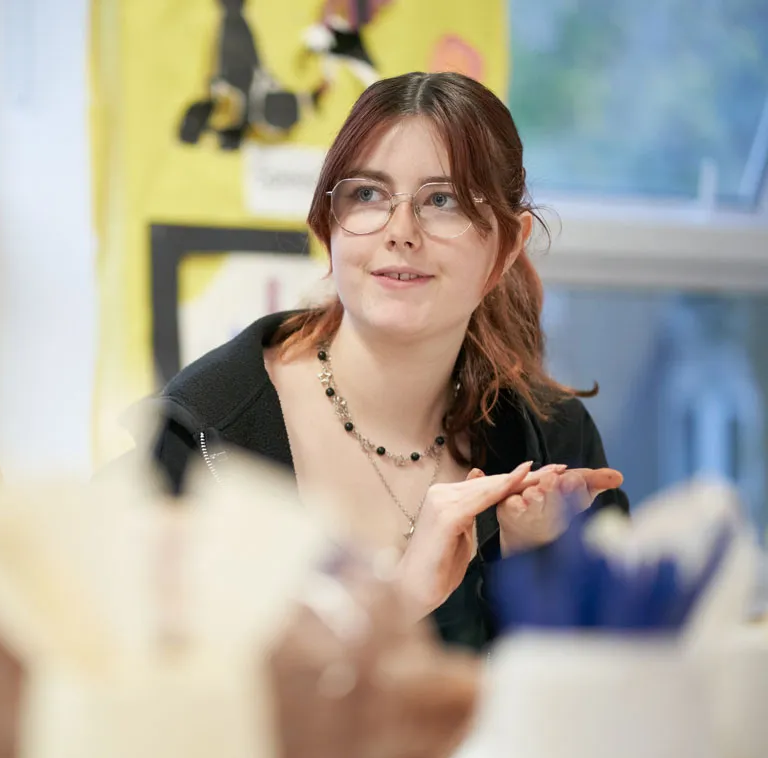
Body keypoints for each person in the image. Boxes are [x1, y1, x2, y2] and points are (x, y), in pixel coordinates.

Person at [138, 71, 628, 650]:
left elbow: (612, 707)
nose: (400, 232)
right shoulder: (202, 433)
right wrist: (399, 601)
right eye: (367, 194)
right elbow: (158, 703)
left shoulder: (553, 442)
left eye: (441, 201)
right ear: (329, 223)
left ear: (507, 245)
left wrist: (537, 568)